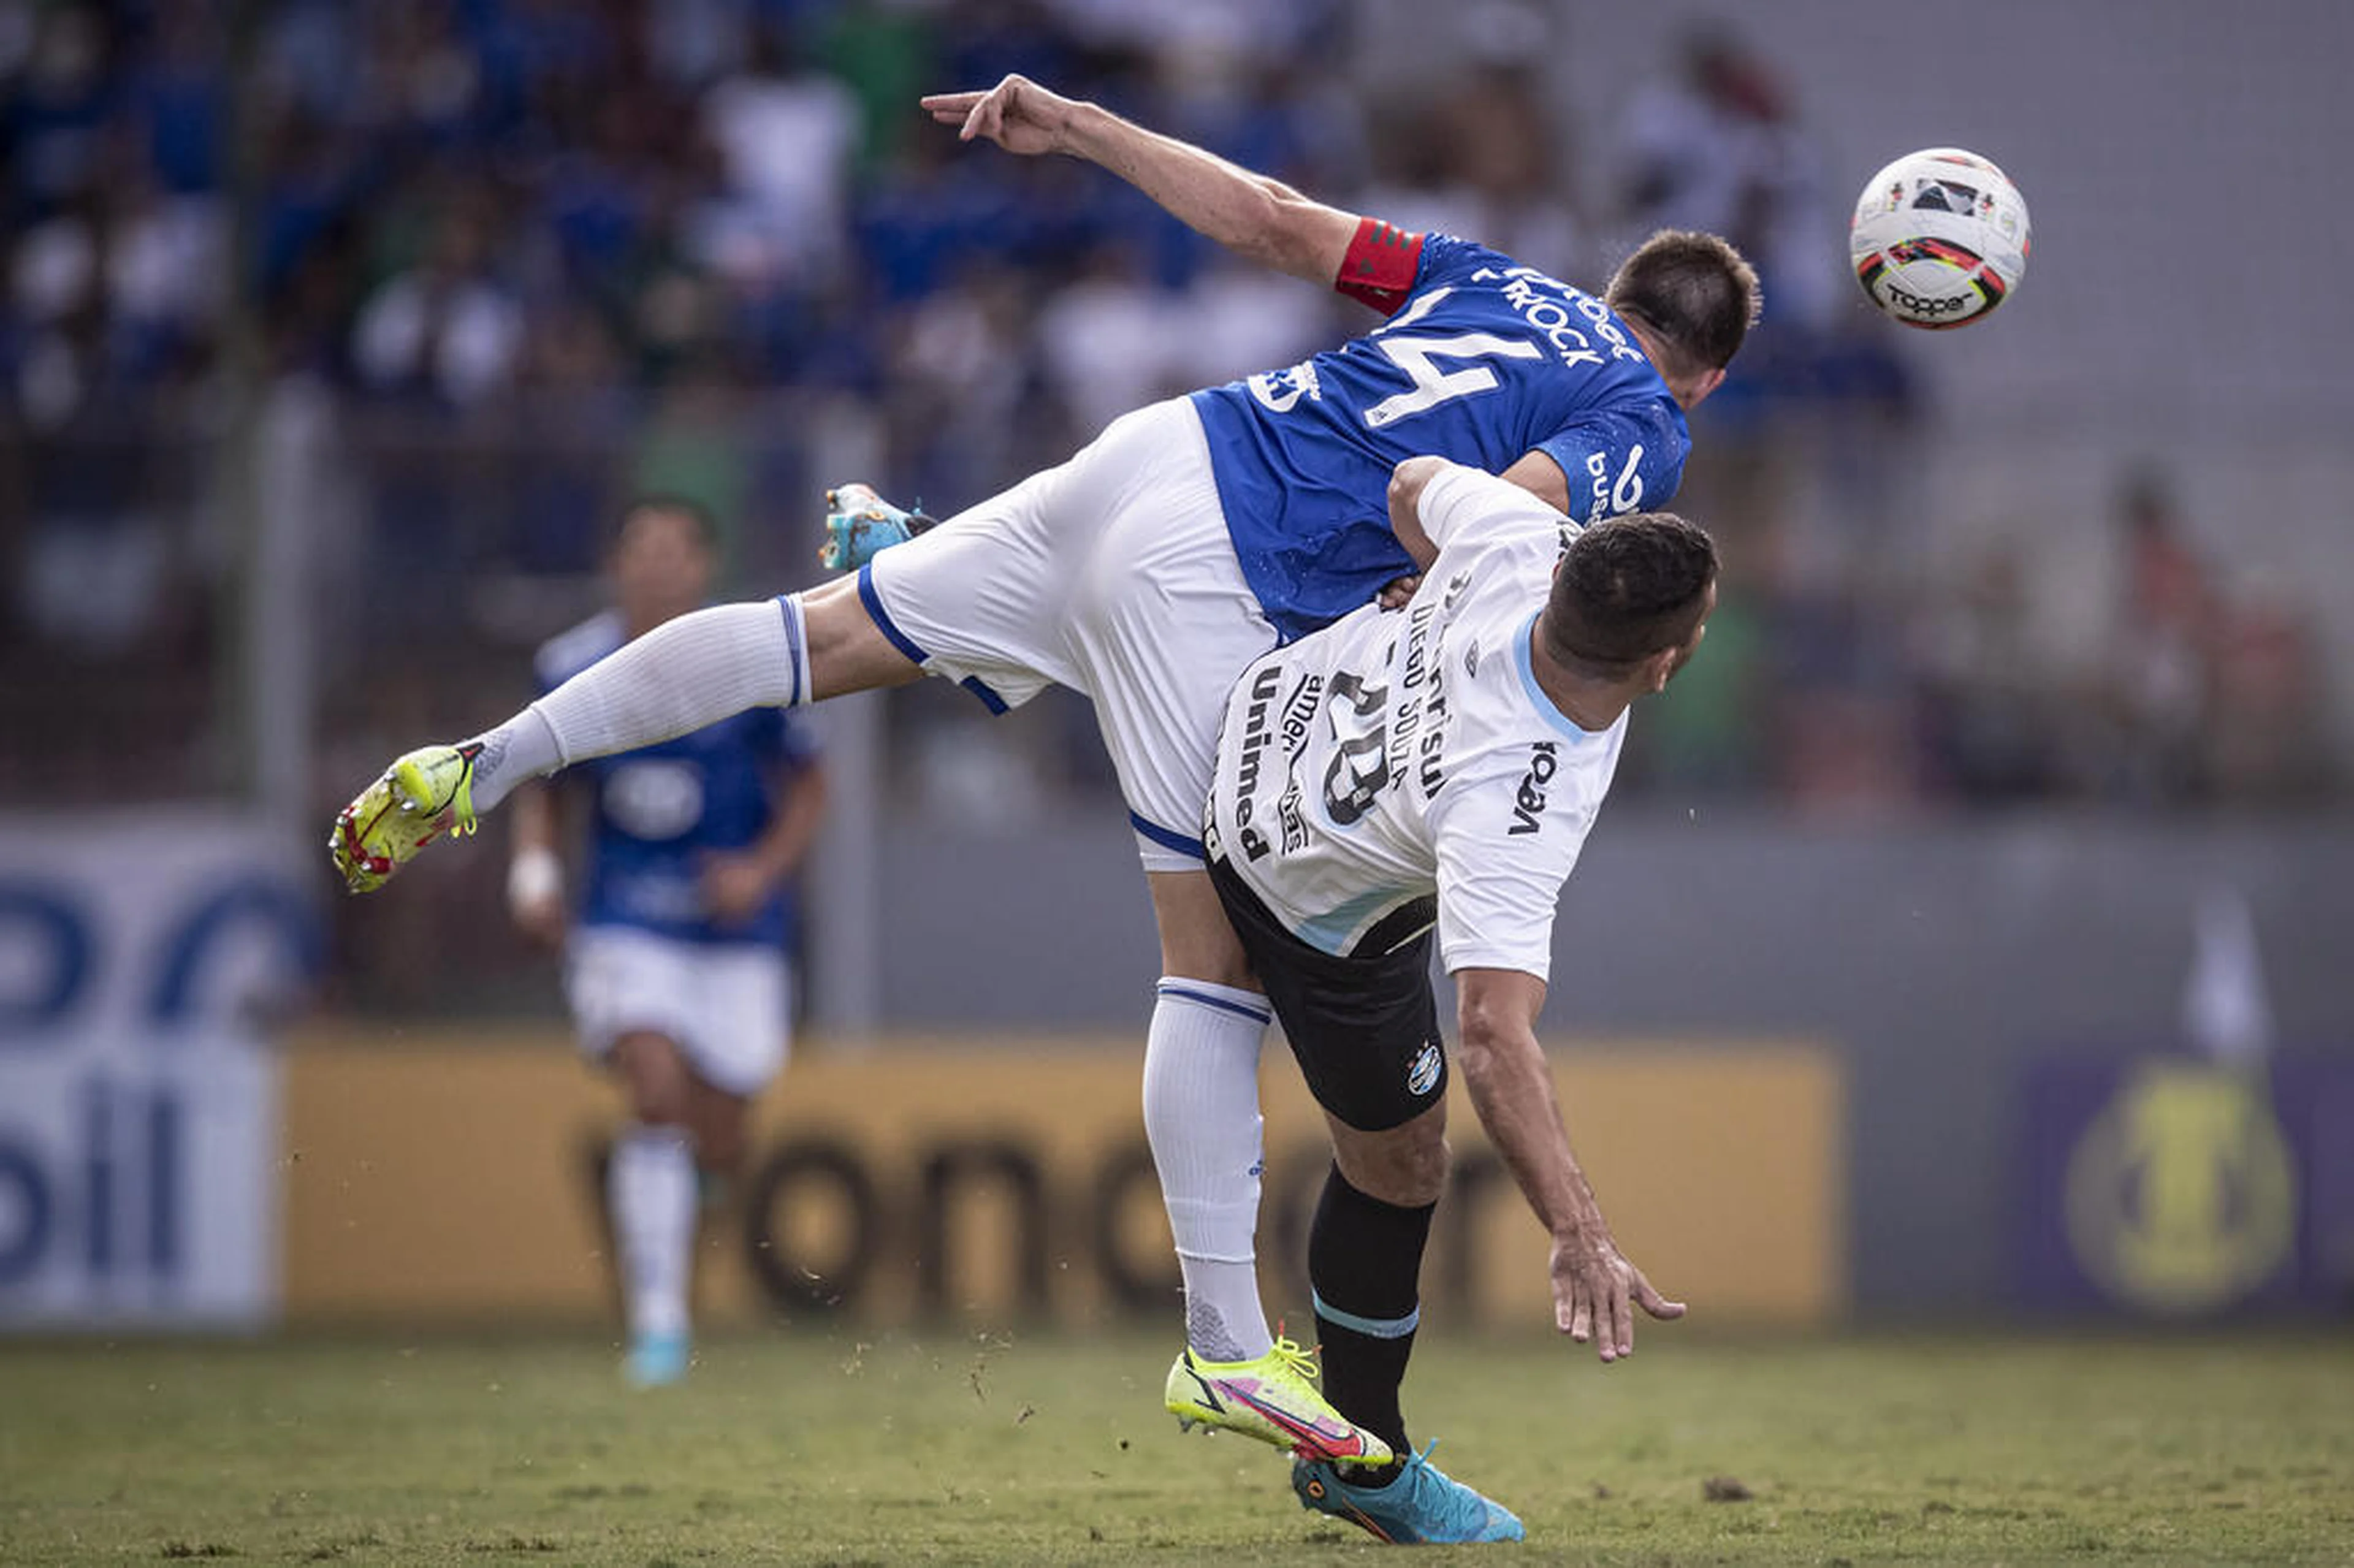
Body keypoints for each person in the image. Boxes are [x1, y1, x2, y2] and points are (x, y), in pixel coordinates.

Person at [329, 73, 1757, 1465]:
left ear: (1617, 286)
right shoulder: (1650, 420)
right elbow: (1505, 531)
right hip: (1224, 579)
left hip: (1160, 451)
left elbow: (1266, 217)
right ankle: (1219, 1339)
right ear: (1704, 366)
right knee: (1214, 959)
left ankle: (489, 760)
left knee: (804, 638)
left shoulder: (1495, 277)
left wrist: (1077, 126)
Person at [1203, 454, 1714, 1542]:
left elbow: (1411, 481)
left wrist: (1425, 574)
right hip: (1301, 881)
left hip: (1264, 710)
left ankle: (1347, 1434)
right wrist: (1579, 1232)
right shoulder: (1518, 797)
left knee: (1397, 1140)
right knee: (1404, 1164)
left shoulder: (1523, 541)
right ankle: (1363, 1458)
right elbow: (1489, 1034)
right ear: (1665, 664)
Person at [507, 497, 828, 1387]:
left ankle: (678, 1213)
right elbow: (540, 783)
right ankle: (657, 1323)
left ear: (702, 568)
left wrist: (761, 872)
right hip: (626, 918)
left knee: (720, 1132)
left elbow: (809, 784)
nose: (656, 566)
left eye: (675, 551)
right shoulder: (570, 665)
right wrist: (533, 875)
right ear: (616, 565)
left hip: (734, 930)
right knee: (655, 1089)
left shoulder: (749, 657)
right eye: (639, 549)